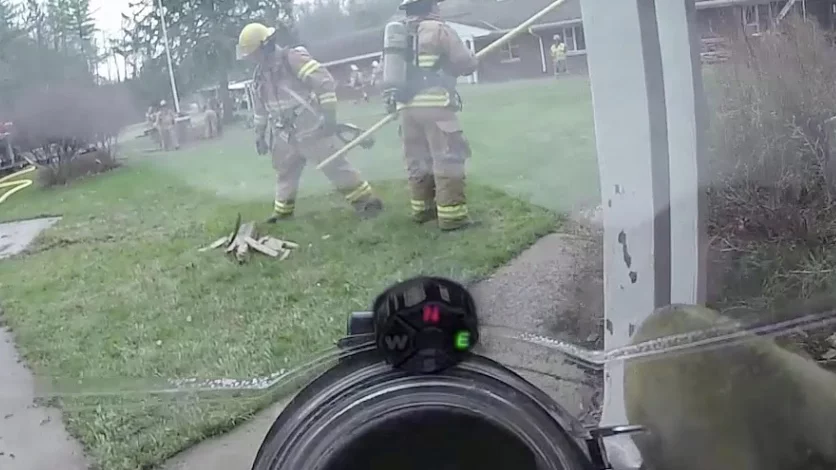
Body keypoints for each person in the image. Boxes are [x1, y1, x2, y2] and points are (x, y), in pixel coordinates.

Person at [236, 22, 383, 223]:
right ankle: (283, 213)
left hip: (310, 127)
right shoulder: (260, 75)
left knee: (334, 165)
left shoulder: (292, 59)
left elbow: (324, 82)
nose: (252, 60)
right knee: (285, 173)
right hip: (284, 134)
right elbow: (261, 109)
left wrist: (329, 116)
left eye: (254, 55)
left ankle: (367, 202)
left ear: (266, 47)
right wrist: (259, 135)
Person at [394, 0, 478, 231]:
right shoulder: (438, 29)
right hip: (435, 108)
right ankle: (454, 218)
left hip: (406, 110)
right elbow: (465, 62)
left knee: (417, 161)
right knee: (447, 159)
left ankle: (423, 210)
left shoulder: (397, 35)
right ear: (430, 7)